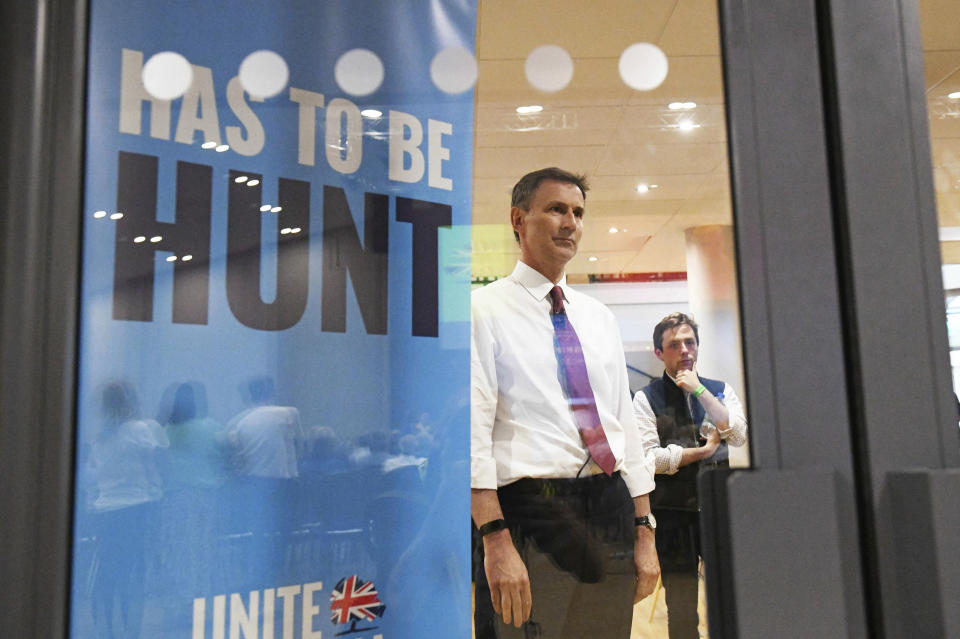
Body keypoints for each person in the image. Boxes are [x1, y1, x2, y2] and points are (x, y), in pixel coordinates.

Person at [471, 167, 660, 638]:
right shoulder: (482, 311)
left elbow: (624, 426)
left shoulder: (598, 318)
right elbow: (470, 434)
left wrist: (644, 529)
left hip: (609, 502)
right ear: (519, 219)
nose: (570, 222)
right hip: (530, 510)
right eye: (556, 209)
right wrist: (494, 539)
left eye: (578, 212)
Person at [633, 312, 748, 638]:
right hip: (672, 514)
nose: (684, 349)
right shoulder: (645, 397)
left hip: (718, 510)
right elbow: (649, 459)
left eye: (690, 342)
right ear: (659, 352)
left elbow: (738, 434)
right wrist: (699, 453)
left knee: (731, 597)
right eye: (674, 344)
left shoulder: (717, 389)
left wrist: (701, 392)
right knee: (682, 607)